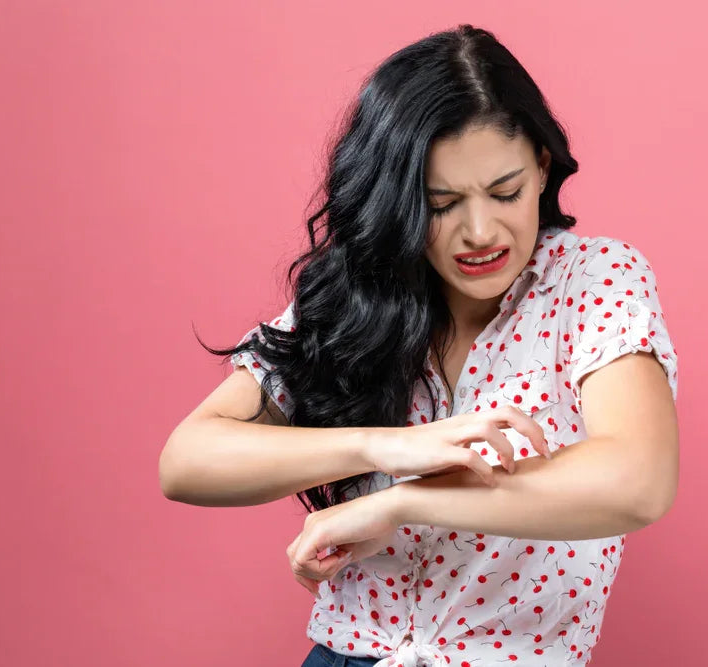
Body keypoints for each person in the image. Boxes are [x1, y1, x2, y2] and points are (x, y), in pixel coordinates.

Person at [159, 23, 680, 667]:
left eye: (505, 191)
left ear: (543, 168)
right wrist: (386, 444)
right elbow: (185, 461)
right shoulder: (359, 295)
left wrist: (401, 503)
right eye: (441, 204)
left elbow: (639, 482)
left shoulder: (593, 280)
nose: (480, 230)